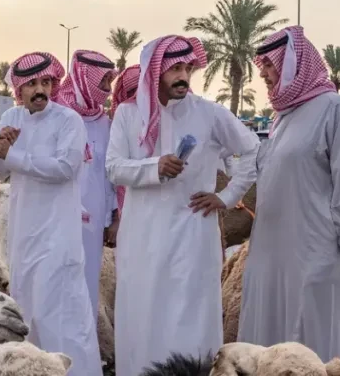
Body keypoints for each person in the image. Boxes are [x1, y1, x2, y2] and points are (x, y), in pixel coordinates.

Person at [107, 35, 259, 376]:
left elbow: (250, 150)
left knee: (190, 317)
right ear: (155, 71)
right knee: (143, 314)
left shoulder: (210, 113)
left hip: (192, 234)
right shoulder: (128, 116)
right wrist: (153, 166)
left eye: (188, 68)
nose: (183, 76)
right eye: (175, 68)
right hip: (142, 236)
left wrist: (228, 197)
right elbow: (113, 167)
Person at [237, 26, 340, 365]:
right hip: (272, 253)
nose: (262, 72)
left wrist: (335, 242)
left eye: (269, 64)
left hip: (316, 252)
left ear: (295, 64)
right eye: (261, 64)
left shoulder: (335, 109)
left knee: (314, 343)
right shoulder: (282, 117)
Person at [0, 51, 102, 376]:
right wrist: (1, 147)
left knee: (62, 315)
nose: (40, 90)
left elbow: (65, 168)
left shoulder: (69, 121)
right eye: (32, 84)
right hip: (24, 236)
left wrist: (14, 154)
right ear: (19, 89)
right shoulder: (11, 118)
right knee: (28, 314)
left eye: (46, 82)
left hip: (59, 238)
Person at [55, 49, 119, 321]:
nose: (107, 90)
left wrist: (112, 217)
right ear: (84, 80)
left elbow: (109, 175)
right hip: (57, 215)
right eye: (103, 82)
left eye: (109, 83)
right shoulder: (57, 115)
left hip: (93, 221)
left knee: (87, 283)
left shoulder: (105, 123)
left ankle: (85, 355)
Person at [108, 64, 140, 226]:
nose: (135, 97)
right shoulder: (117, 122)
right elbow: (114, 171)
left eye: (140, 90)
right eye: (131, 92)